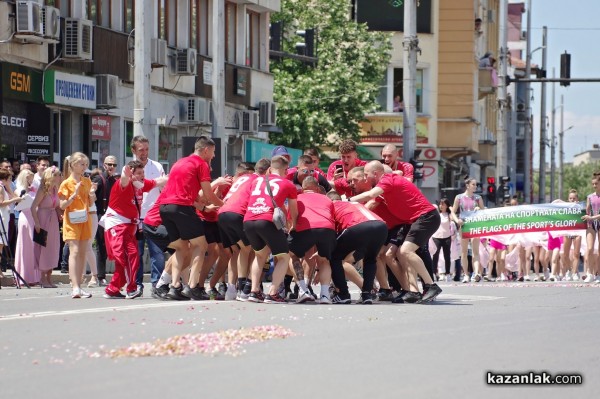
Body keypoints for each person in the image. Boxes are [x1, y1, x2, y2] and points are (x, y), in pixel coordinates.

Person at [348, 161, 442, 303]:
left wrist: (348, 200)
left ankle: (430, 286)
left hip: (425, 217)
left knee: (405, 252)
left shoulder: (387, 179)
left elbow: (371, 195)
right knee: (398, 253)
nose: (366, 178)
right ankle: (413, 291)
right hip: (414, 221)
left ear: (376, 173)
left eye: (366, 175)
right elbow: (372, 201)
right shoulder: (387, 185)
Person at [157, 136, 224, 300]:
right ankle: (193, 287)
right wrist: (224, 205)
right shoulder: (201, 164)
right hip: (182, 208)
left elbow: (180, 191)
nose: (214, 156)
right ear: (206, 150)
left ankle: (174, 287)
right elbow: (207, 193)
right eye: (213, 152)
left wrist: (202, 207)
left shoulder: (178, 163)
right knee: (201, 246)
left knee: (181, 247)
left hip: (165, 207)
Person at [101, 160, 165, 299]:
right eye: (139, 173)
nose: (142, 175)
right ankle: (131, 289)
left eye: (143, 172)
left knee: (132, 256)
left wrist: (177, 174)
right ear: (132, 174)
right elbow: (124, 179)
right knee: (125, 257)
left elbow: (159, 181)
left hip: (130, 227)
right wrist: (126, 173)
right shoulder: (123, 183)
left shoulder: (141, 185)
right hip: (117, 225)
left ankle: (113, 289)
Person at [243, 155, 298, 303]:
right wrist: (293, 224)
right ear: (286, 169)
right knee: (283, 257)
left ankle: (254, 291)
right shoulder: (287, 184)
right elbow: (293, 210)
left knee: (260, 256)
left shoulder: (256, 180)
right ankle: (273, 293)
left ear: (269, 168)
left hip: (248, 220)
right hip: (266, 220)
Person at [326, 190, 388, 304]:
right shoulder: (354, 203)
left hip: (357, 226)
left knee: (334, 257)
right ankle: (367, 294)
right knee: (370, 259)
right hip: (381, 226)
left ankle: (343, 294)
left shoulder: (331, 205)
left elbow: (330, 231)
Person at [288, 176, 337, 304]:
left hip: (305, 228)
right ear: (317, 188)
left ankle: (303, 290)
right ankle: (325, 295)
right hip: (327, 228)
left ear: (303, 188)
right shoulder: (326, 198)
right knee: (324, 260)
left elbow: (291, 219)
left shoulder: (298, 198)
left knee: (292, 256)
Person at [131, 135, 166, 295]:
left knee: (157, 252)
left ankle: (156, 285)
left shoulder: (157, 166)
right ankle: (137, 285)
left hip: (153, 217)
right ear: (133, 150)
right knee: (136, 253)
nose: (144, 153)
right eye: (140, 150)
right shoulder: (128, 168)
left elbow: (163, 189)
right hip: (134, 217)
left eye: (146, 149)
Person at [58, 153, 97, 299]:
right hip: (72, 220)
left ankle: (79, 286)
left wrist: (92, 195)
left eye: (86, 164)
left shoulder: (87, 181)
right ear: (73, 165)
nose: (84, 167)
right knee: (74, 251)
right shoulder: (66, 183)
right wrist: (73, 195)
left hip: (85, 219)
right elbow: (62, 205)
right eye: (81, 164)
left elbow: (91, 202)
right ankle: (74, 286)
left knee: (82, 252)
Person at [31, 166, 62, 288]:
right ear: (52, 176)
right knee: (43, 247)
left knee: (53, 248)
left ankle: (49, 277)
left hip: (53, 219)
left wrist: (59, 213)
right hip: (43, 218)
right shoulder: (43, 189)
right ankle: (42, 278)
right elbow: (33, 207)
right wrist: (37, 223)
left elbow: (57, 205)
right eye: (58, 175)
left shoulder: (55, 189)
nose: (60, 177)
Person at [91, 155, 119, 286]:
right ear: (104, 165)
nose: (112, 167)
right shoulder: (99, 179)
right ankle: (99, 276)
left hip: (110, 216)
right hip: (99, 216)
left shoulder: (114, 181)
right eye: (109, 164)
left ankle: (101, 276)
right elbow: (91, 198)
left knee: (108, 246)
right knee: (101, 246)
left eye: (114, 165)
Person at [452, 177, 485, 282]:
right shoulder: (459, 197)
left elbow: (484, 212)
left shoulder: (478, 198)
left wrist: (479, 209)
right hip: (464, 225)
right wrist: (457, 220)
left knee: (475, 251)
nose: (475, 186)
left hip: (475, 225)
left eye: (476, 185)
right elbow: (453, 212)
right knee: (464, 251)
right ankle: (466, 274)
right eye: (473, 184)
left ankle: (475, 273)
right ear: (467, 185)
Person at [14, 169, 38, 284]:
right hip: (25, 216)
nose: (31, 179)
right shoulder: (19, 189)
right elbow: (17, 203)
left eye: (32, 177)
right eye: (29, 177)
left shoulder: (34, 189)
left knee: (34, 246)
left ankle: (34, 277)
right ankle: (23, 276)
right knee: (24, 245)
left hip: (34, 217)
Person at [0, 169, 23, 278]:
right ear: (4, 179)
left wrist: (9, 189)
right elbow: (1, 203)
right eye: (9, 179)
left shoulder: (4, 187)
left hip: (6, 216)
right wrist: (13, 200)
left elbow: (13, 195)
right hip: (2, 216)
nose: (11, 181)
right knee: (0, 245)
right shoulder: (0, 188)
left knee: (1, 245)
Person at [581, 173, 600, 283]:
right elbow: (584, 210)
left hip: (598, 221)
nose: (594, 186)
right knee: (589, 248)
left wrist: (592, 217)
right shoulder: (590, 197)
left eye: (596, 183)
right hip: (590, 224)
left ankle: (598, 274)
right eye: (592, 184)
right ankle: (590, 273)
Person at [431, 198, 455, 282]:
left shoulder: (449, 215)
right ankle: (434, 273)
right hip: (436, 237)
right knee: (435, 256)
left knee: (447, 256)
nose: (441, 206)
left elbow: (453, 218)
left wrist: (451, 209)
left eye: (443, 204)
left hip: (446, 237)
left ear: (446, 205)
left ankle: (447, 273)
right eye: (440, 204)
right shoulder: (437, 214)